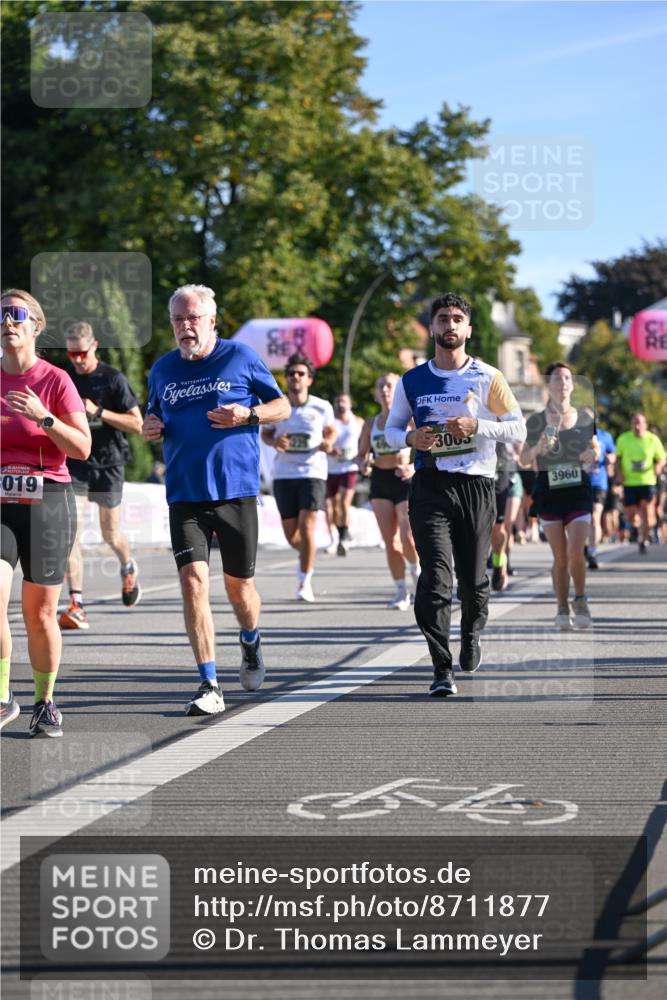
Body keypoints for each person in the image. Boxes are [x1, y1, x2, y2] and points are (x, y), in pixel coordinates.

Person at [142, 284, 289, 716]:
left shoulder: (240, 357)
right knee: (193, 582)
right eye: (177, 320)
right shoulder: (163, 369)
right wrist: (151, 425)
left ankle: (250, 639)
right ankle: (209, 682)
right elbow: (155, 415)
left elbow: (281, 405)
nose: (185, 327)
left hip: (235, 491)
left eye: (192, 318)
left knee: (240, 590)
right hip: (185, 494)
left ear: (211, 320)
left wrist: (250, 414)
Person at [384, 293, 526, 696]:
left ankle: (471, 634)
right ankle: (440, 667)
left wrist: (478, 426)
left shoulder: (487, 377)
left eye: (457, 319)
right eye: (443, 318)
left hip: (477, 486)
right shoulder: (412, 380)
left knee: (474, 580)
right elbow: (391, 431)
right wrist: (410, 436)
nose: (450, 325)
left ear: (468, 329)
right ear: (432, 327)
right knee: (435, 579)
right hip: (429, 485)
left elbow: (517, 429)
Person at [0, 289, 91, 735]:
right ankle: (1, 696)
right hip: (0, 503)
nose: (8, 322)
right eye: (1, 315)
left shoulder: (54, 380)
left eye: (17, 315)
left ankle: (44, 701)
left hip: (47, 500)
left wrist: (45, 417)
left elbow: (83, 446)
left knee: (39, 614)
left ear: (36, 325)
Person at [58, 322, 143, 630]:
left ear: (94, 346)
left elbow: (138, 424)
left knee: (110, 533)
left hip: (109, 463)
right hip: (77, 463)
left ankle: (127, 565)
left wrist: (98, 412)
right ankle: (77, 603)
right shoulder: (65, 379)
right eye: (71, 353)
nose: (78, 359)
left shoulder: (113, 379)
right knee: (72, 535)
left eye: (82, 352)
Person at [520, 362, 600, 630]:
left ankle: (580, 598)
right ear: (549, 385)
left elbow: (595, 450)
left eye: (567, 378)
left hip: (578, 491)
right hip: (549, 492)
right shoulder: (535, 421)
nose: (563, 382)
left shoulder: (586, 417)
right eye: (557, 378)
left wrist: (592, 455)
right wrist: (539, 447)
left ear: (572, 385)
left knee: (576, 551)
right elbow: (523, 458)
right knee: (560, 556)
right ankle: (562, 607)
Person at [261, 354, 337, 602]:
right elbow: (266, 434)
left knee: (307, 528)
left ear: (309, 380)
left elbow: (331, 430)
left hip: (312, 472)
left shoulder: (321, 406)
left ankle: (305, 581)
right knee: (292, 535)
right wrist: (275, 441)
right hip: (284, 474)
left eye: (301, 373)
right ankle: (307, 553)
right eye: (292, 373)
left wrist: (328, 442)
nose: (295, 377)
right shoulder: (278, 405)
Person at [356, 373, 420, 611]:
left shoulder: (410, 419)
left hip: (403, 479)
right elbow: (361, 454)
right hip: (380, 482)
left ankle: (417, 571)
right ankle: (401, 591)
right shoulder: (370, 424)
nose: (384, 390)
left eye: (389, 385)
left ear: (397, 390)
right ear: (376, 392)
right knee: (390, 543)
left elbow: (428, 445)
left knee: (408, 538)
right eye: (380, 385)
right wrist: (362, 463)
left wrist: (414, 467)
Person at [615, 413, 666, 555]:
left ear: (645, 424)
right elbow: (617, 459)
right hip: (630, 482)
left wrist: (658, 466)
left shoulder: (652, 439)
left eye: (640, 423)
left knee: (647, 512)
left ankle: (642, 540)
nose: (637, 426)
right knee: (630, 515)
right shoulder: (623, 439)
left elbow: (662, 457)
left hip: (647, 481)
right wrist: (619, 473)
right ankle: (637, 528)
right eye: (634, 423)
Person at [325, 393, 364, 556]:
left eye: (344, 401)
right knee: (330, 506)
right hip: (330, 467)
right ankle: (334, 538)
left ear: (350, 404)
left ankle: (344, 537)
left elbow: (365, 442)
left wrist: (363, 457)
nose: (341, 404)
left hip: (350, 467)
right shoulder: (329, 422)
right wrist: (330, 450)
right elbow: (323, 442)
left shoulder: (358, 422)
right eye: (338, 401)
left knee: (343, 502)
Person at [585, 425, 616, 569]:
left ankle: (592, 551)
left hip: (599, 482)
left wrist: (610, 458)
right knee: (582, 518)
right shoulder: (575, 435)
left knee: (595, 517)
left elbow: (613, 454)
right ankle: (584, 544)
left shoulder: (606, 436)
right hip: (580, 483)